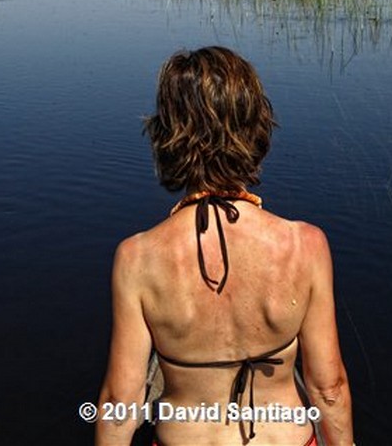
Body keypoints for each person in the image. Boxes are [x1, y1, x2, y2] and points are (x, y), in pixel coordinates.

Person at [96, 46, 353, 446]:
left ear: (167, 136)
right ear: (255, 126)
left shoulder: (138, 257)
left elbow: (121, 403)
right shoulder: (305, 246)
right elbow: (329, 388)